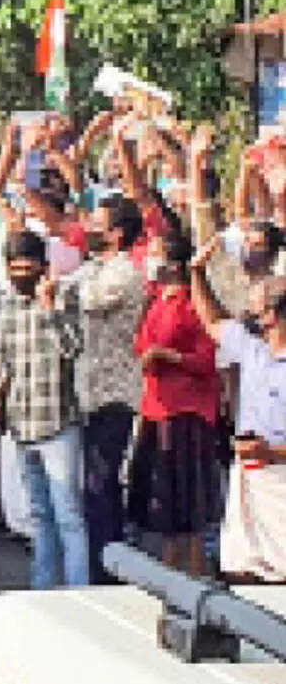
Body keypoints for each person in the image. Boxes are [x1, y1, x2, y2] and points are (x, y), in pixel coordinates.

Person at [0, 230, 87, 589]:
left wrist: (48, 309)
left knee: (69, 518)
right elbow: (4, 366)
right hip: (23, 425)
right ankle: (42, 593)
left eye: (29, 267)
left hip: (58, 425)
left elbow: (73, 349)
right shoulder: (6, 308)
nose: (21, 274)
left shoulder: (64, 301)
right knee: (41, 517)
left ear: (44, 268)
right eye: (15, 268)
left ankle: (79, 597)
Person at [189, 241, 286, 581]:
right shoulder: (253, 349)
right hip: (249, 473)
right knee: (241, 567)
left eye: (258, 311)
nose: (251, 316)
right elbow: (212, 319)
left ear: (274, 316)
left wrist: (270, 451)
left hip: (280, 477)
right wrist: (197, 273)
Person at [128, 230, 221, 576]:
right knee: (164, 500)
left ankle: (194, 570)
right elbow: (140, 344)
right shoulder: (155, 300)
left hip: (187, 409)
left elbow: (207, 359)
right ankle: (169, 570)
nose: (150, 260)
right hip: (156, 405)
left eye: (157, 253)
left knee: (189, 501)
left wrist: (170, 355)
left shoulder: (192, 303)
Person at [71, 194, 147, 580]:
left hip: (114, 394)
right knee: (94, 490)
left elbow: (84, 300)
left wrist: (59, 288)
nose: (88, 228)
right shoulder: (98, 267)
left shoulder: (124, 274)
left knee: (102, 489)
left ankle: (108, 575)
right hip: (93, 392)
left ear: (116, 234)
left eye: (96, 223)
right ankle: (100, 569)